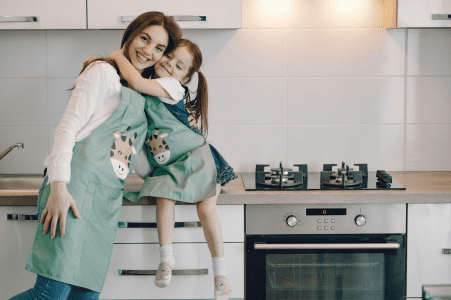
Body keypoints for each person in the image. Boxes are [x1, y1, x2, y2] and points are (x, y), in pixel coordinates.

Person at [9, 11, 182, 300]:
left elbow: (133, 158)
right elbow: (67, 128)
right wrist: (59, 187)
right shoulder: (101, 72)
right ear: (130, 35)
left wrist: (179, 175)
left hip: (104, 203)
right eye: (144, 38)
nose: (148, 51)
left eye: (159, 48)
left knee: (85, 297)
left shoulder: (141, 94)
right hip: (73, 192)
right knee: (49, 296)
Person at [106, 39, 238, 300]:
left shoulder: (170, 86)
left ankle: (221, 275)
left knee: (206, 209)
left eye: (179, 65)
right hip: (173, 167)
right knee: (164, 198)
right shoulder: (146, 92)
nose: (168, 63)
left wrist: (116, 56)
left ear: (185, 78)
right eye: (168, 55)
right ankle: (166, 260)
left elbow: (136, 81)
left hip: (200, 159)